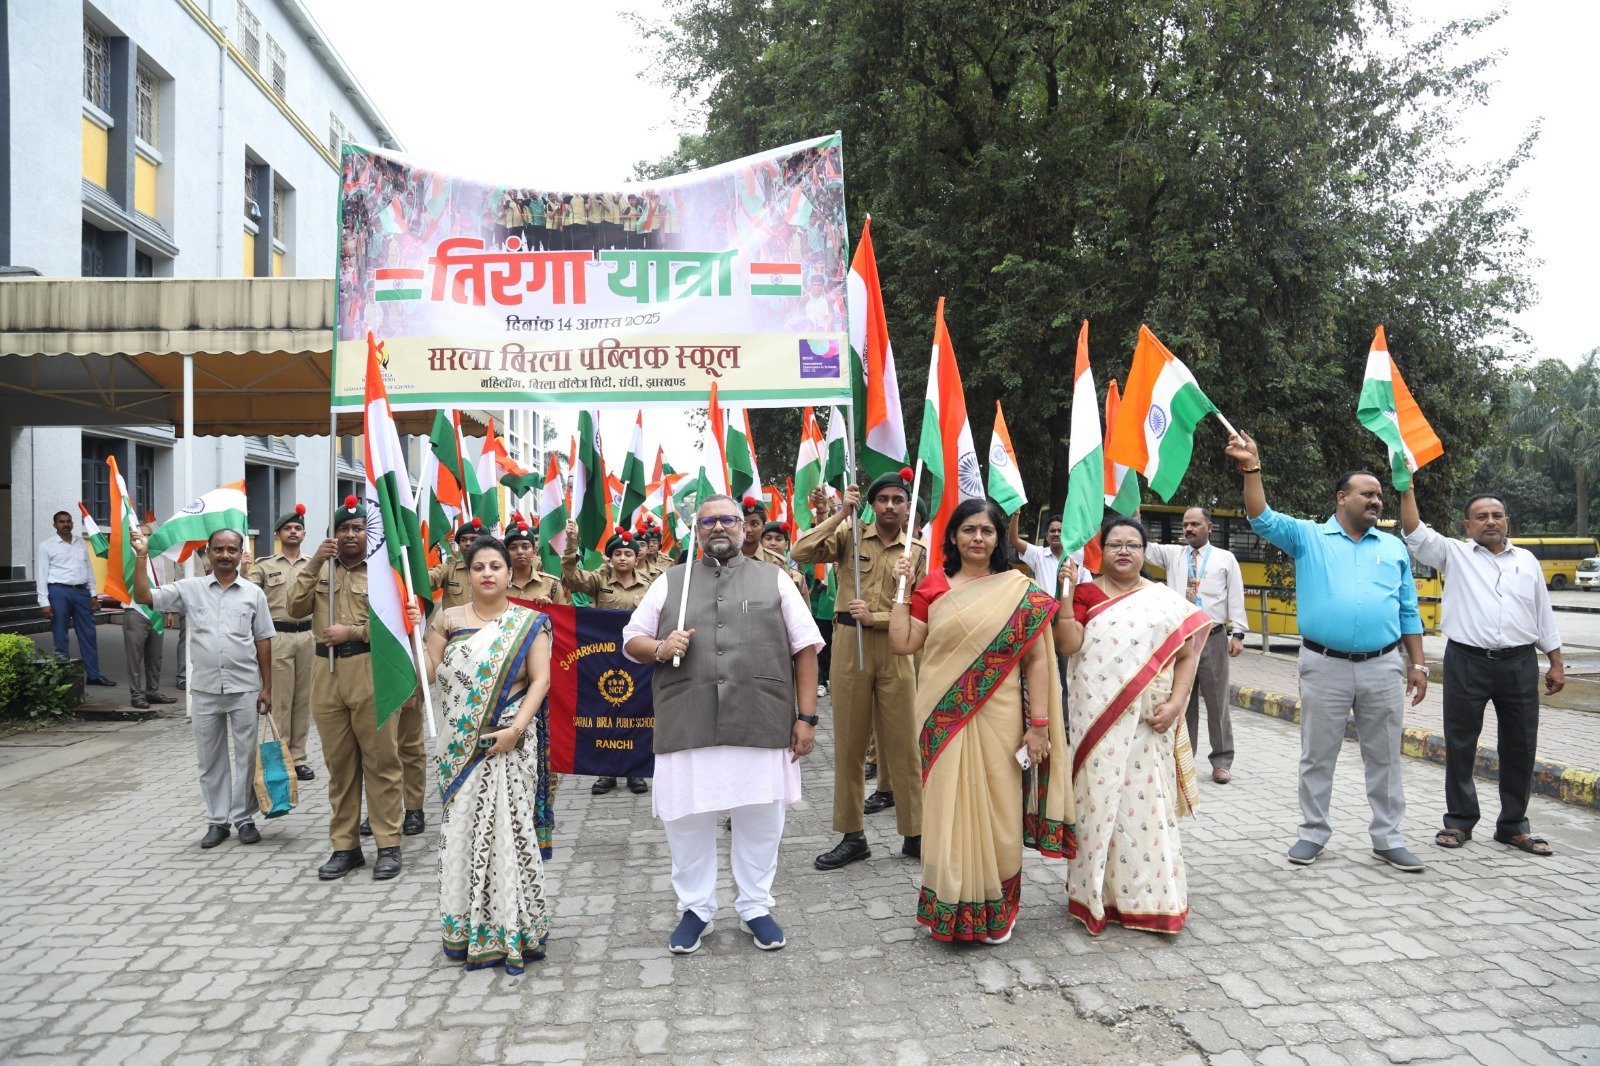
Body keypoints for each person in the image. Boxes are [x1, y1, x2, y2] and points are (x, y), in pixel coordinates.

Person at [622, 494, 823, 954]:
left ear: (743, 527)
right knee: (687, 817)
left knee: (760, 816)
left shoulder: (775, 579)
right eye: (708, 521)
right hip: (687, 717)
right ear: (696, 531)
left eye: (728, 519)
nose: (719, 527)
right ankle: (696, 909)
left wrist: (807, 718)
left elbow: (806, 649)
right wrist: (659, 647)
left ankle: (755, 906)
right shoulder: (670, 582)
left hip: (762, 715)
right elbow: (631, 638)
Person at [1226, 433, 1428, 872]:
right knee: (1317, 754)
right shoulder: (1308, 537)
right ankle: (1313, 833)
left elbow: (1408, 610)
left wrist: (1417, 664)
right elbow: (1260, 517)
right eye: (1368, 494)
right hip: (1324, 665)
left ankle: (1388, 838)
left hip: (1383, 666)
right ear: (1342, 498)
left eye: (1379, 496)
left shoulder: (1393, 547)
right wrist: (1252, 468)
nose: (1377, 501)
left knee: (1386, 756)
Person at [889, 498, 1074, 944]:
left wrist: (1040, 724)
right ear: (953, 536)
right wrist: (900, 588)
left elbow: (1036, 662)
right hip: (942, 714)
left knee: (1000, 807)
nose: (977, 538)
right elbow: (903, 642)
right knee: (946, 805)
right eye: (968, 529)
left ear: (998, 539)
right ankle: (950, 905)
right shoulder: (932, 586)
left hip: (1002, 714)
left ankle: (998, 909)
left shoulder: (1018, 589)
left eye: (986, 531)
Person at [1055, 515, 1208, 934]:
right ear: (1100, 552)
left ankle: (1153, 899)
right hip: (1095, 726)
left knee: (1146, 808)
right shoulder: (1085, 593)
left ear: (1144, 553)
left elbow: (1189, 652)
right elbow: (1068, 645)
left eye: (1133, 545)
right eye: (1115, 544)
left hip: (1148, 727)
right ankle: (1096, 897)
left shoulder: (1163, 600)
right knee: (1097, 806)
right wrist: (1065, 597)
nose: (1124, 551)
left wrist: (1178, 702)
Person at [410, 535, 555, 973]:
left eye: (496, 566)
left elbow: (541, 681)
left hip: (508, 741)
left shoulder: (529, 622)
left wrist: (514, 730)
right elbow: (429, 676)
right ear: (467, 574)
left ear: (511, 573)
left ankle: (516, 927)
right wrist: (413, 637)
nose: (488, 573)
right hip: (459, 746)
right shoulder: (447, 619)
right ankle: (468, 930)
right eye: (479, 567)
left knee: (509, 832)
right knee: (463, 833)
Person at [1400, 488, 1565, 855]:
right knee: (1459, 743)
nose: (1490, 521)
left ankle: (1513, 826)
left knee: (1521, 745)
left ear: (1507, 521)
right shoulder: (1454, 554)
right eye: (1482, 516)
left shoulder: (1527, 561)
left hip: (1520, 664)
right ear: (1468, 525)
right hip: (1467, 662)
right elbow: (1413, 530)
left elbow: (1543, 614)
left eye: (1497, 515)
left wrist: (1555, 661)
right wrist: (1408, 488)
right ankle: (1459, 822)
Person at [792, 470, 926, 868]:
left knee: (904, 745)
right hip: (850, 646)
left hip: (896, 647)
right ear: (870, 503)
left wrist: (878, 617)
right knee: (849, 745)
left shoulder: (915, 550)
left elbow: (921, 607)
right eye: (881, 499)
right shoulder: (849, 536)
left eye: (897, 500)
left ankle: (915, 834)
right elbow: (800, 552)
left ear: (906, 507)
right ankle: (853, 835)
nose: (889, 506)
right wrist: (839, 515)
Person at [288, 497, 406, 882]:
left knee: (381, 763)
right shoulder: (322, 568)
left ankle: (388, 845)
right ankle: (346, 847)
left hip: (370, 669)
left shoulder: (383, 573)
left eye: (357, 528)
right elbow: (293, 607)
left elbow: (396, 627)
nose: (350, 534)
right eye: (343, 529)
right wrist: (314, 561)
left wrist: (352, 631)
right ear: (333, 535)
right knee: (339, 767)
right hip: (327, 672)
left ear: (368, 533)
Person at [132, 527, 274, 848]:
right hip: (206, 690)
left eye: (232, 550)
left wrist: (267, 688)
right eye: (219, 549)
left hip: (245, 689)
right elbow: (145, 597)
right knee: (210, 759)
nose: (225, 555)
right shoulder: (190, 589)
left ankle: (245, 818)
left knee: (246, 757)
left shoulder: (254, 594)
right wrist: (142, 556)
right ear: (207, 552)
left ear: (241, 555)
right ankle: (217, 821)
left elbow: (264, 640)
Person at [1143, 507, 1249, 783]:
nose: (1188, 529)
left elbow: (1236, 596)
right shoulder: (1173, 554)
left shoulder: (1225, 558)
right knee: (1182, 700)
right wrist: (1133, 513)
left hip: (1212, 637)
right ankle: (1183, 761)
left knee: (1217, 703)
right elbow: (1143, 546)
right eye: (1185, 525)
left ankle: (1222, 761)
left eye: (1195, 524)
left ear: (1209, 527)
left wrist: (1238, 633)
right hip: (1181, 639)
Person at [563, 523, 652, 796]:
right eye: (617, 554)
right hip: (605, 659)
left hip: (638, 660)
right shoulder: (599, 582)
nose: (623, 558)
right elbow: (571, 577)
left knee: (637, 711)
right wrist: (572, 543)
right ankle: (606, 772)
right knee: (607, 711)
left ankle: (635, 771)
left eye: (628, 553)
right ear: (610, 558)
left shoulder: (650, 585)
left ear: (637, 558)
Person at [250, 505, 318, 780]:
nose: (293, 531)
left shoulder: (314, 564)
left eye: (298, 528)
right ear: (278, 533)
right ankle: (281, 758)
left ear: (304, 533)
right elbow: (248, 592)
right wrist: (245, 568)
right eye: (288, 528)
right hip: (276, 637)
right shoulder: (265, 565)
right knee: (280, 699)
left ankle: (299, 758)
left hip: (307, 637)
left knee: (303, 699)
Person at [36, 509, 115, 687]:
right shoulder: (46, 546)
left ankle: (94, 674)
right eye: (62, 522)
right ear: (55, 525)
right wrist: (44, 602)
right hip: (58, 592)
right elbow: (41, 575)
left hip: (81, 593)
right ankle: (62, 675)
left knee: (88, 633)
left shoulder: (80, 543)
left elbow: (88, 568)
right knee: (60, 633)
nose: (66, 524)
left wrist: (93, 593)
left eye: (69, 521)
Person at [121, 524, 176, 709]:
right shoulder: (128, 557)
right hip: (135, 611)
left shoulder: (160, 557)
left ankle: (152, 692)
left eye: (148, 535)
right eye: (141, 534)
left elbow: (166, 584)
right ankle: (136, 695)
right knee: (134, 658)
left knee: (155, 657)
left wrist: (168, 611)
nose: (144, 538)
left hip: (156, 611)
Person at [741, 497, 808, 599]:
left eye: (754, 524)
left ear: (763, 527)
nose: (748, 529)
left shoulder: (777, 562)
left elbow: (792, 604)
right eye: (744, 524)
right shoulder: (725, 559)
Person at [505, 519, 564, 606]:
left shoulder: (552, 585)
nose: (520, 552)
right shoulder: (498, 585)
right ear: (506, 553)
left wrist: (550, 608)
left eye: (525, 547)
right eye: (513, 548)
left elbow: (563, 617)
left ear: (534, 551)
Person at [431, 521, 488, 610]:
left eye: (473, 539)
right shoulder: (449, 569)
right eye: (463, 540)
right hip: (453, 623)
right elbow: (426, 579)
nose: (468, 543)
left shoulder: (495, 572)